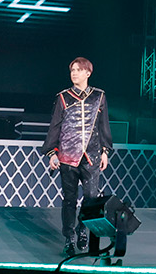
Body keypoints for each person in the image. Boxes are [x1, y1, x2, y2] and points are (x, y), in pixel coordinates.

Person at [43, 56, 112, 256]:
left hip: (91, 156)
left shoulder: (99, 96)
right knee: (69, 200)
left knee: (91, 199)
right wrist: (52, 153)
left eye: (78, 70)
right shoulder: (63, 97)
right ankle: (69, 237)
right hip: (67, 156)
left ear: (88, 73)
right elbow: (55, 127)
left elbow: (103, 125)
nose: (74, 73)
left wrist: (105, 151)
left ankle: (83, 229)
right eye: (72, 70)